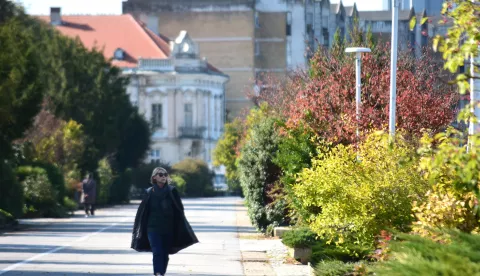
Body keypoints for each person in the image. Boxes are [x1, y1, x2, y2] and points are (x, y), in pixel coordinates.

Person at [131, 167, 198, 276]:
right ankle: (158, 273)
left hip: (168, 228)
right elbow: (142, 212)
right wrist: (139, 229)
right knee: (157, 251)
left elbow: (179, 209)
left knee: (164, 253)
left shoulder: (172, 191)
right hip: (152, 228)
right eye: (160, 174)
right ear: (154, 177)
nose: (163, 177)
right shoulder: (149, 192)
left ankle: (161, 272)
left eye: (165, 174)